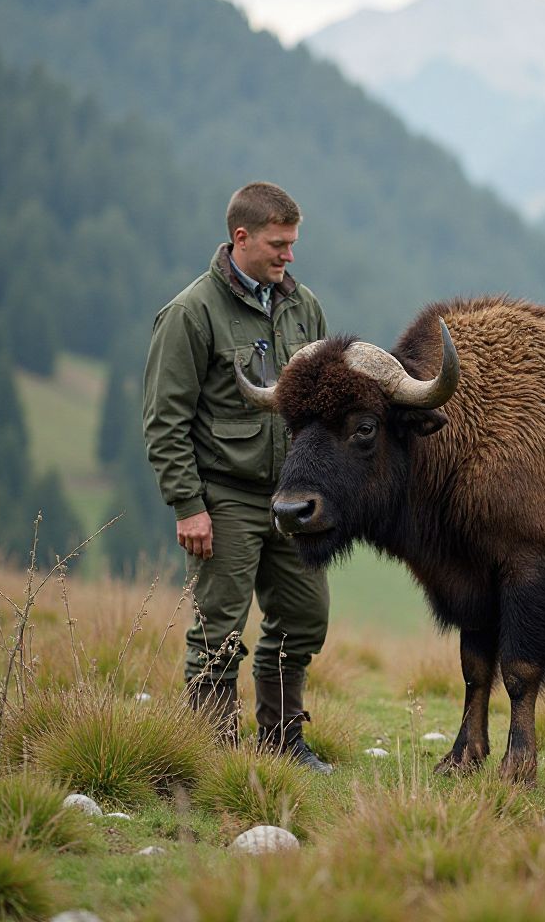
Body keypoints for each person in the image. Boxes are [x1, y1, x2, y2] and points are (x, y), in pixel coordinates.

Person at [143, 181, 332, 773]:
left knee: (305, 617)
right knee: (218, 631)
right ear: (240, 238)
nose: (289, 256)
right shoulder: (190, 313)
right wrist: (188, 506)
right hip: (223, 497)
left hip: (292, 500)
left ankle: (282, 741)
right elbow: (164, 420)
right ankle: (210, 754)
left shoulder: (306, 308)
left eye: (294, 244)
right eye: (278, 244)